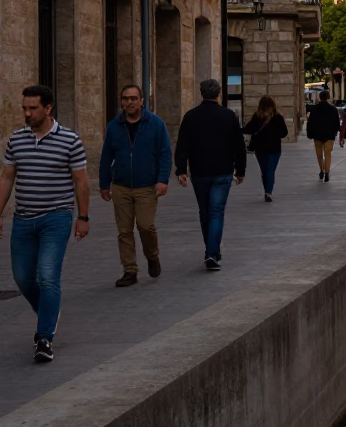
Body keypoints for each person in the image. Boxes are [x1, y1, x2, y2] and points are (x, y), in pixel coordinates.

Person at [0, 85, 90, 363]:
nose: (27, 113)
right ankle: (50, 311)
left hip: (56, 217)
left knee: (47, 277)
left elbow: (81, 181)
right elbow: (7, 176)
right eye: (24, 108)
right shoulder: (17, 139)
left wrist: (83, 217)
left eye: (32, 108)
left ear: (48, 109)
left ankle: (44, 336)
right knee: (23, 278)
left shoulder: (70, 139)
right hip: (23, 219)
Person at [98, 84, 171, 288]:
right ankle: (129, 270)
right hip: (121, 185)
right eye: (125, 98)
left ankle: (152, 255)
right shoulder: (114, 126)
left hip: (146, 185)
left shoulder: (155, 124)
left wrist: (162, 179)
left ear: (141, 101)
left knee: (145, 226)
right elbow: (106, 157)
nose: (129, 102)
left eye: (133, 98)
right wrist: (104, 184)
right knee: (124, 230)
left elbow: (165, 153)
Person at [175, 79, 248, 272]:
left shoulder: (191, 116)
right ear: (219, 94)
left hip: (199, 171)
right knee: (216, 212)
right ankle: (212, 252)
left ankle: (211, 249)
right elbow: (239, 146)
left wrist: (181, 169)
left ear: (201, 93)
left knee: (205, 212)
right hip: (223, 171)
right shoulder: (229, 116)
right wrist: (240, 170)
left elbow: (182, 145)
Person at [242, 95, 288, 202]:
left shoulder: (257, 117)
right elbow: (284, 133)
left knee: (264, 171)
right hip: (274, 148)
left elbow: (248, 129)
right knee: (270, 170)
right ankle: (268, 192)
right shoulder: (278, 117)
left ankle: (267, 190)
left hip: (260, 148)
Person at [307, 89, 341, 182]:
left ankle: (321, 170)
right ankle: (327, 172)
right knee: (328, 154)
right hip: (329, 134)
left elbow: (310, 122)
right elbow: (337, 122)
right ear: (328, 97)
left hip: (317, 134)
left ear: (319, 97)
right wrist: (337, 131)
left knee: (319, 154)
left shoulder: (314, 108)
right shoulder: (333, 109)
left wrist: (309, 134)